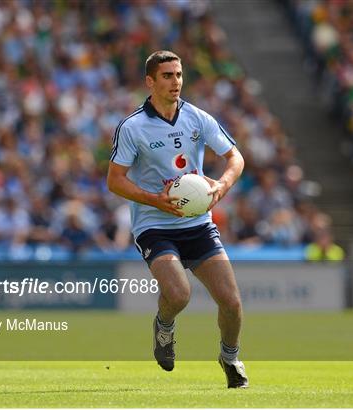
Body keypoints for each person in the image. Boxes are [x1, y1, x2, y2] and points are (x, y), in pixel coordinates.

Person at [107, 51, 248, 388]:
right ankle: (164, 327)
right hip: (155, 225)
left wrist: (222, 185)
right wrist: (155, 199)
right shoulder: (133, 127)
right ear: (150, 82)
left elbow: (235, 157)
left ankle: (230, 358)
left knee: (231, 302)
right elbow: (115, 180)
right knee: (179, 294)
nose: (176, 82)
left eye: (179, 75)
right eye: (167, 76)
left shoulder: (198, 118)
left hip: (198, 223)